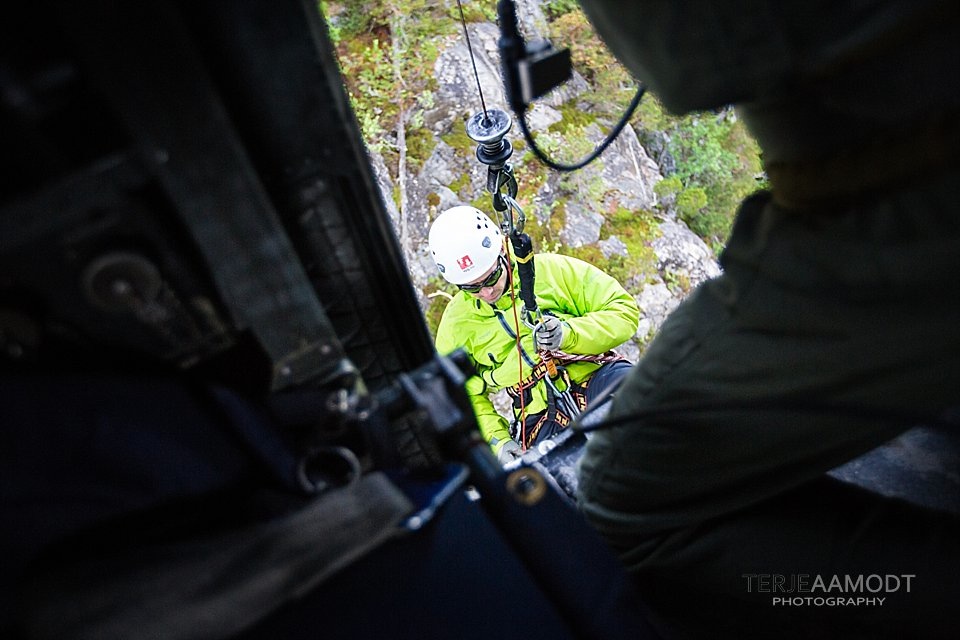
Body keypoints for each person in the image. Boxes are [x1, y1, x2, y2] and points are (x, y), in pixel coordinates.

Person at [573, 0, 960, 638]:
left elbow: (685, 64)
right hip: (885, 176)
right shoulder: (464, 321)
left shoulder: (554, 277)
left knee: (625, 499)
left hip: (884, 196)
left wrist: (574, 339)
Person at [429, 205, 640, 464]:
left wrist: (569, 334)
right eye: (471, 287)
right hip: (539, 416)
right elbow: (458, 394)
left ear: (502, 253)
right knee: (556, 486)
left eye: (492, 277)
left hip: (594, 375)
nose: (486, 292)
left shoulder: (550, 271)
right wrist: (498, 441)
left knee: (647, 407)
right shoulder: (456, 324)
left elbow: (624, 310)